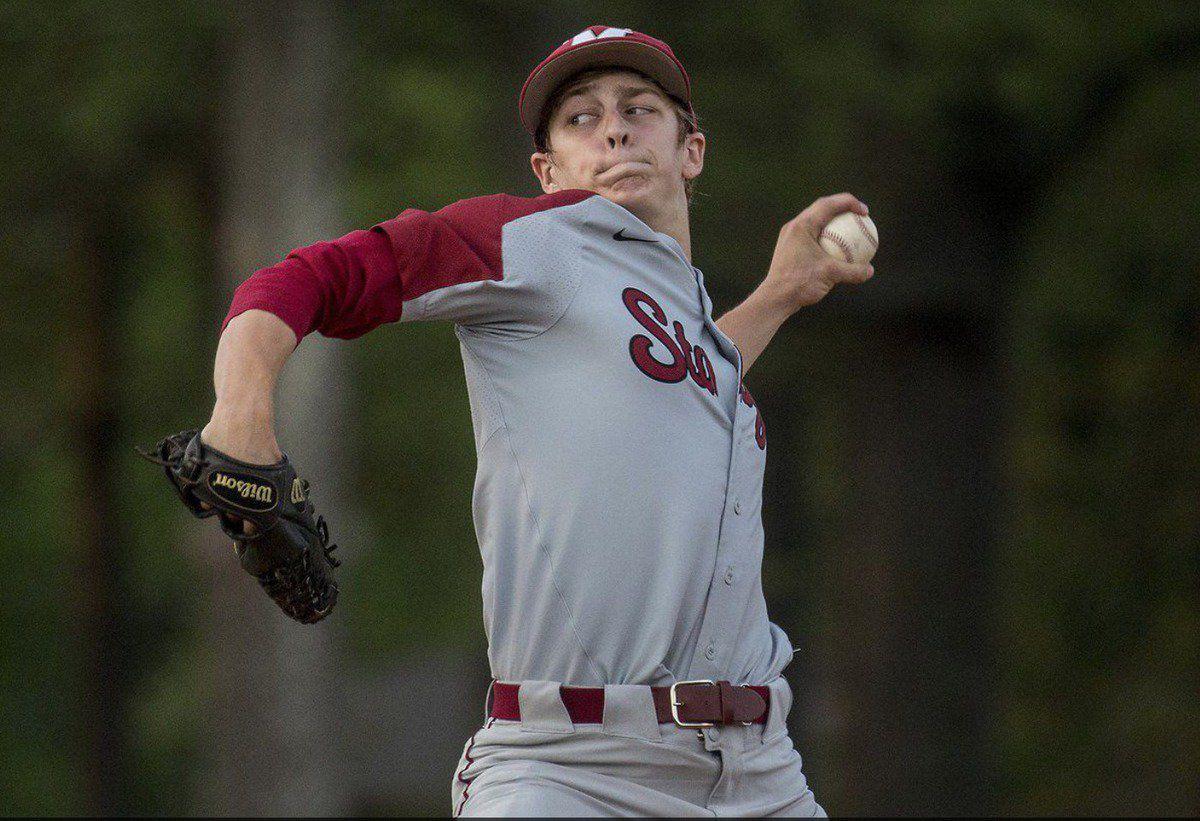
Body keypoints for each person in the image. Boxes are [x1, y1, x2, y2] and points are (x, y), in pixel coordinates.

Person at [204, 24, 874, 818]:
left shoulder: (683, 320)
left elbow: (693, 385)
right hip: (571, 769)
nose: (615, 126)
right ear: (548, 170)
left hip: (759, 773)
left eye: (640, 107)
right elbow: (309, 277)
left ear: (692, 150)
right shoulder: (538, 244)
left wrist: (781, 294)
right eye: (582, 118)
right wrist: (239, 410)